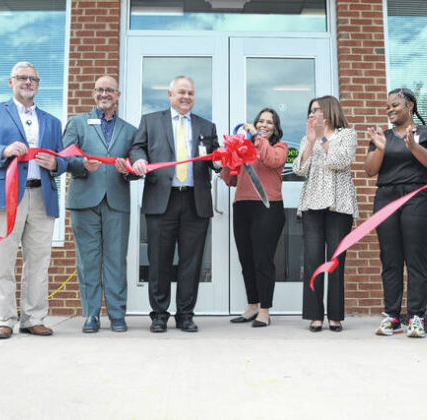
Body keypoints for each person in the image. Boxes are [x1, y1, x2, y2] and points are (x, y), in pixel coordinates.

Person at [0, 61, 68, 339]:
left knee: (38, 262)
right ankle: (3, 320)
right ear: (10, 82)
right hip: (5, 196)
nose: (28, 82)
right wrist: (4, 150)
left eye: (33, 78)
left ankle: (33, 318)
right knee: (2, 261)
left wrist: (55, 164)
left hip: (42, 196)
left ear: (38, 84)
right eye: (22, 77)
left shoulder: (52, 120)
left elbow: (63, 160)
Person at [130, 75, 220, 333]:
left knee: (191, 262)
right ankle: (159, 315)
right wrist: (138, 160)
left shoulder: (206, 125)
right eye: (181, 92)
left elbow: (214, 157)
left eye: (190, 93)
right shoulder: (151, 121)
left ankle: (185, 314)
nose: (186, 97)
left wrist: (220, 163)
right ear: (170, 95)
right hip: (162, 200)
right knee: (159, 261)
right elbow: (137, 148)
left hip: (195, 201)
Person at [365, 88, 427, 338]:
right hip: (387, 197)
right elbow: (369, 170)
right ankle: (392, 317)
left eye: (395, 105)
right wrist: (379, 148)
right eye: (387, 106)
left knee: (415, 258)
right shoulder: (383, 135)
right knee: (390, 259)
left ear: (410, 105)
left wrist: (413, 147)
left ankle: (417, 317)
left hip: (417, 198)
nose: (390, 110)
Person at [63, 76, 137, 333]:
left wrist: (128, 171)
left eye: (109, 90)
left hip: (117, 200)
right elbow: (64, 157)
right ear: (94, 94)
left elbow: (135, 165)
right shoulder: (77, 123)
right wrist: (80, 166)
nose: (104, 94)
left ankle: (117, 314)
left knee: (116, 259)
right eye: (99, 90)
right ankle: (91, 315)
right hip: (84, 200)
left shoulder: (130, 130)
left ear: (117, 95)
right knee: (88, 260)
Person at [293, 96, 358, 333]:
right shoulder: (305, 138)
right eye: (309, 111)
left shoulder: (347, 134)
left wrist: (321, 138)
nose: (311, 114)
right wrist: (310, 142)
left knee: (335, 262)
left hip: (338, 206)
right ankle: (314, 315)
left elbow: (339, 162)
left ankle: (335, 316)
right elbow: (299, 169)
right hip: (312, 204)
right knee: (312, 259)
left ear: (329, 111)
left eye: (316, 110)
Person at [222, 108, 288, 328]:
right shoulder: (245, 149)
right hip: (242, 206)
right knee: (246, 259)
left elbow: (271, 160)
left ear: (275, 127)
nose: (264, 124)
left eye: (269, 122)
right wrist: (226, 159)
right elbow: (230, 180)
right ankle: (252, 305)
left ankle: (265, 310)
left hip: (267, 208)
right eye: (260, 121)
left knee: (262, 260)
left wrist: (257, 138)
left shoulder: (280, 147)